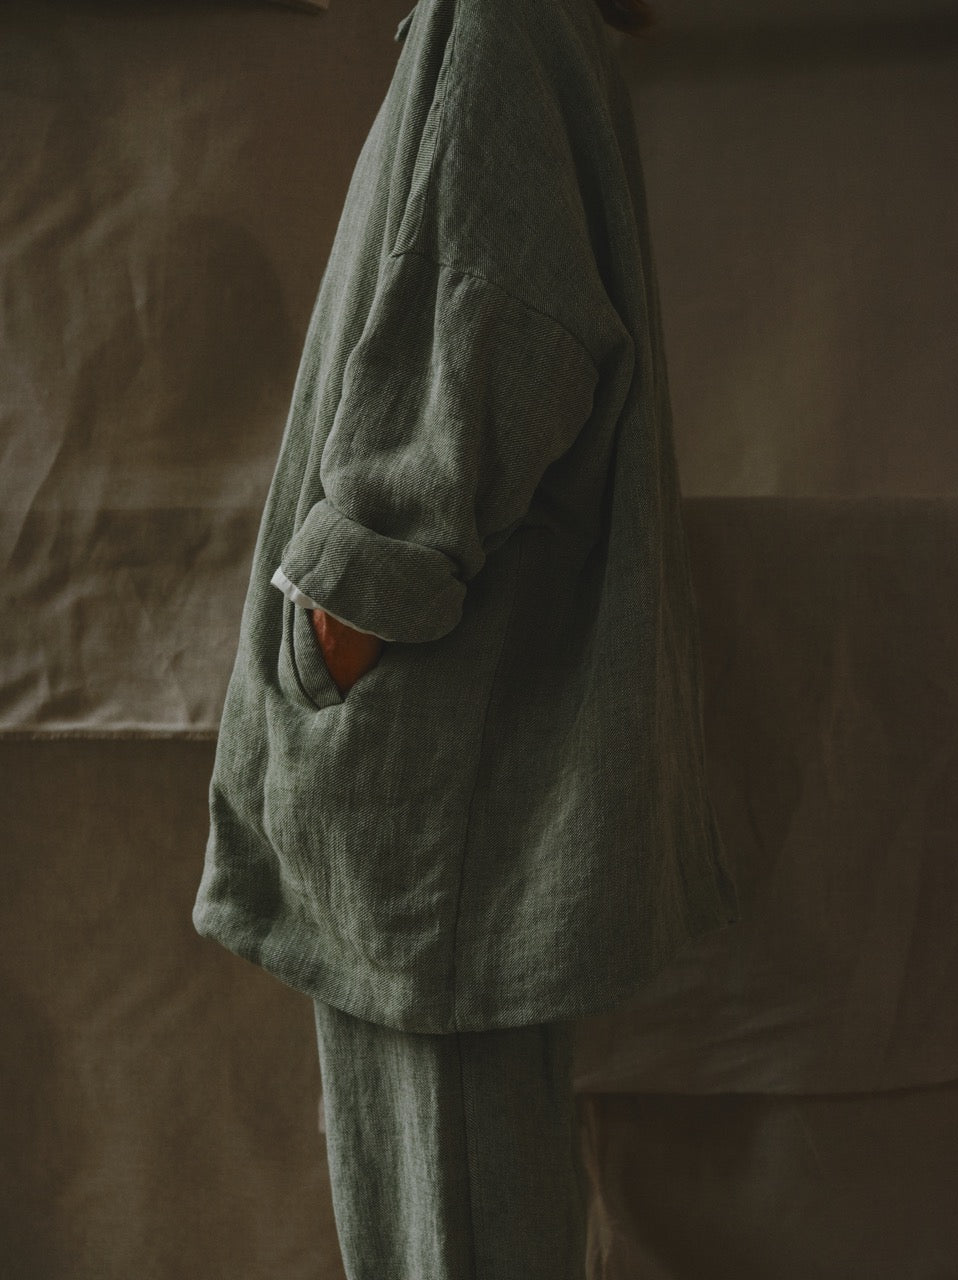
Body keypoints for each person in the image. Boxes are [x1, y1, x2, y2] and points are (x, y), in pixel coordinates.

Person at [193, 0, 742, 1275]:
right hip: (449, 790)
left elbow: (488, 335)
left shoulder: (495, 24)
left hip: (433, 785)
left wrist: (340, 632)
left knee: (450, 1236)